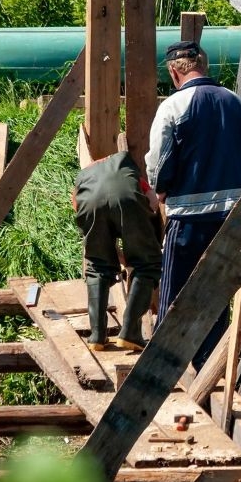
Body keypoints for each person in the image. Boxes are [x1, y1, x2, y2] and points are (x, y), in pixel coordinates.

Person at [145, 40, 241, 369]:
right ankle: (209, 368)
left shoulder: (174, 106)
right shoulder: (234, 101)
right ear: (203, 64)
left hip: (190, 215)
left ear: (175, 71)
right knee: (217, 295)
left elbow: (158, 164)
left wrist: (161, 189)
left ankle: (162, 370)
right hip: (232, 215)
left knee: (174, 295)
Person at [73, 151, 163, 352]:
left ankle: (97, 336)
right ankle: (130, 333)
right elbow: (153, 201)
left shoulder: (84, 175)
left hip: (88, 202)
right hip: (127, 198)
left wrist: (108, 249)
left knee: (97, 266)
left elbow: (79, 209)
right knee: (146, 264)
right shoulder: (130, 173)